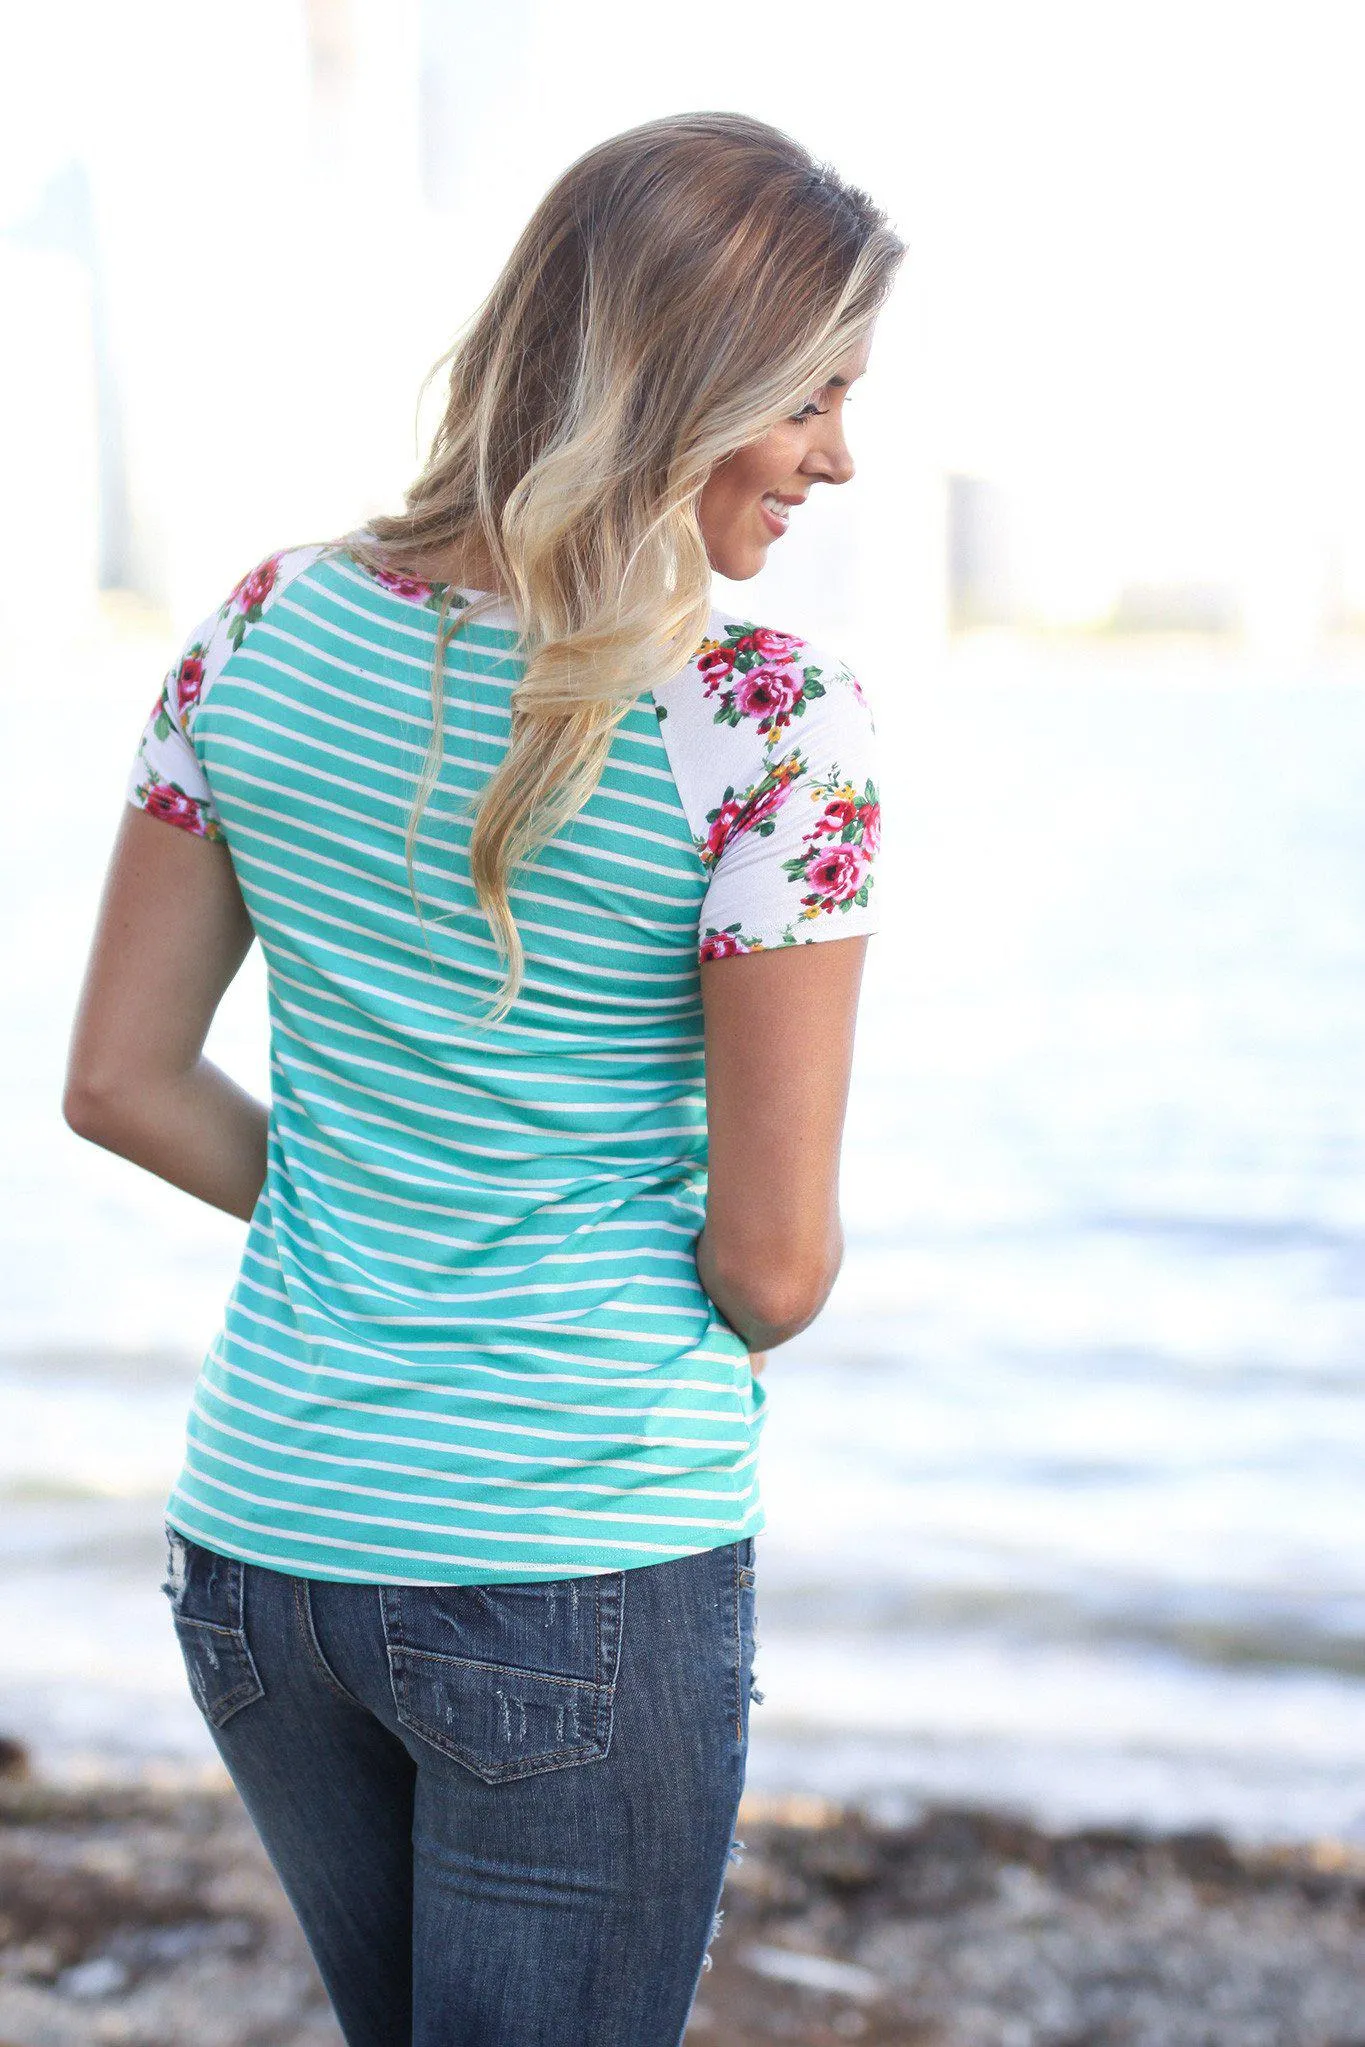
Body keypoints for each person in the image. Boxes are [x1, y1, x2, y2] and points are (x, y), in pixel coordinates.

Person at [63, 110, 903, 2047]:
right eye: (816, 392)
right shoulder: (771, 721)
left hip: (265, 1540)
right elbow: (773, 1270)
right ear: (692, 380)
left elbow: (120, 1084)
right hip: (568, 1561)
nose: (838, 455)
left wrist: (391, 1215)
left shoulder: (260, 629)